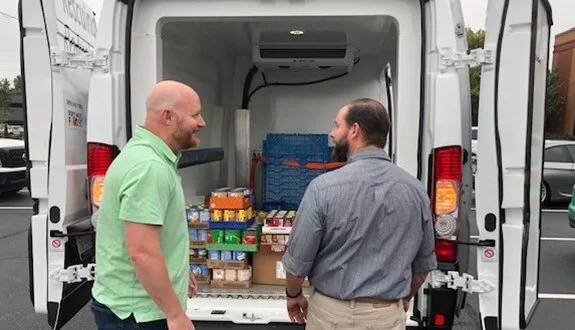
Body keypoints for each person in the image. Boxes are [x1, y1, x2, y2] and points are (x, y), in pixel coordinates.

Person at [282, 98, 437, 330]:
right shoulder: (416, 191)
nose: (332, 133)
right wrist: (404, 298)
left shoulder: (322, 188)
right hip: (386, 317)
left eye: (337, 125)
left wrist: (293, 295)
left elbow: (297, 264)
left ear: (354, 130)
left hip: (330, 316)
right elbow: (423, 265)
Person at [91, 80, 206, 330]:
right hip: (138, 315)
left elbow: (151, 238)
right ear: (168, 117)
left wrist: (178, 271)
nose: (201, 122)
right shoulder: (149, 168)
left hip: (132, 308)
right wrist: (175, 315)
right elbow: (142, 252)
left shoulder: (143, 154)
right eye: (195, 115)